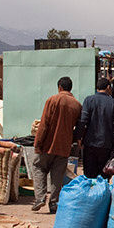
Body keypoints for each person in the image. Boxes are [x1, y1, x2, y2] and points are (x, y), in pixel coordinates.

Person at [31, 76, 81, 213]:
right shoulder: (76, 105)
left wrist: (38, 143)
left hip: (48, 144)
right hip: (64, 146)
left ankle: (40, 198)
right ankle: (53, 203)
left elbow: (44, 123)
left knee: (38, 167)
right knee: (57, 175)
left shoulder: (52, 100)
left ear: (59, 87)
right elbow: (79, 127)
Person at [76, 77, 114, 178]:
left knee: (89, 175)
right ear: (108, 87)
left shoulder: (88, 100)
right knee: (104, 176)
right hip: (106, 146)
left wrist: (79, 138)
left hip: (89, 145)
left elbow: (83, 121)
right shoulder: (113, 103)